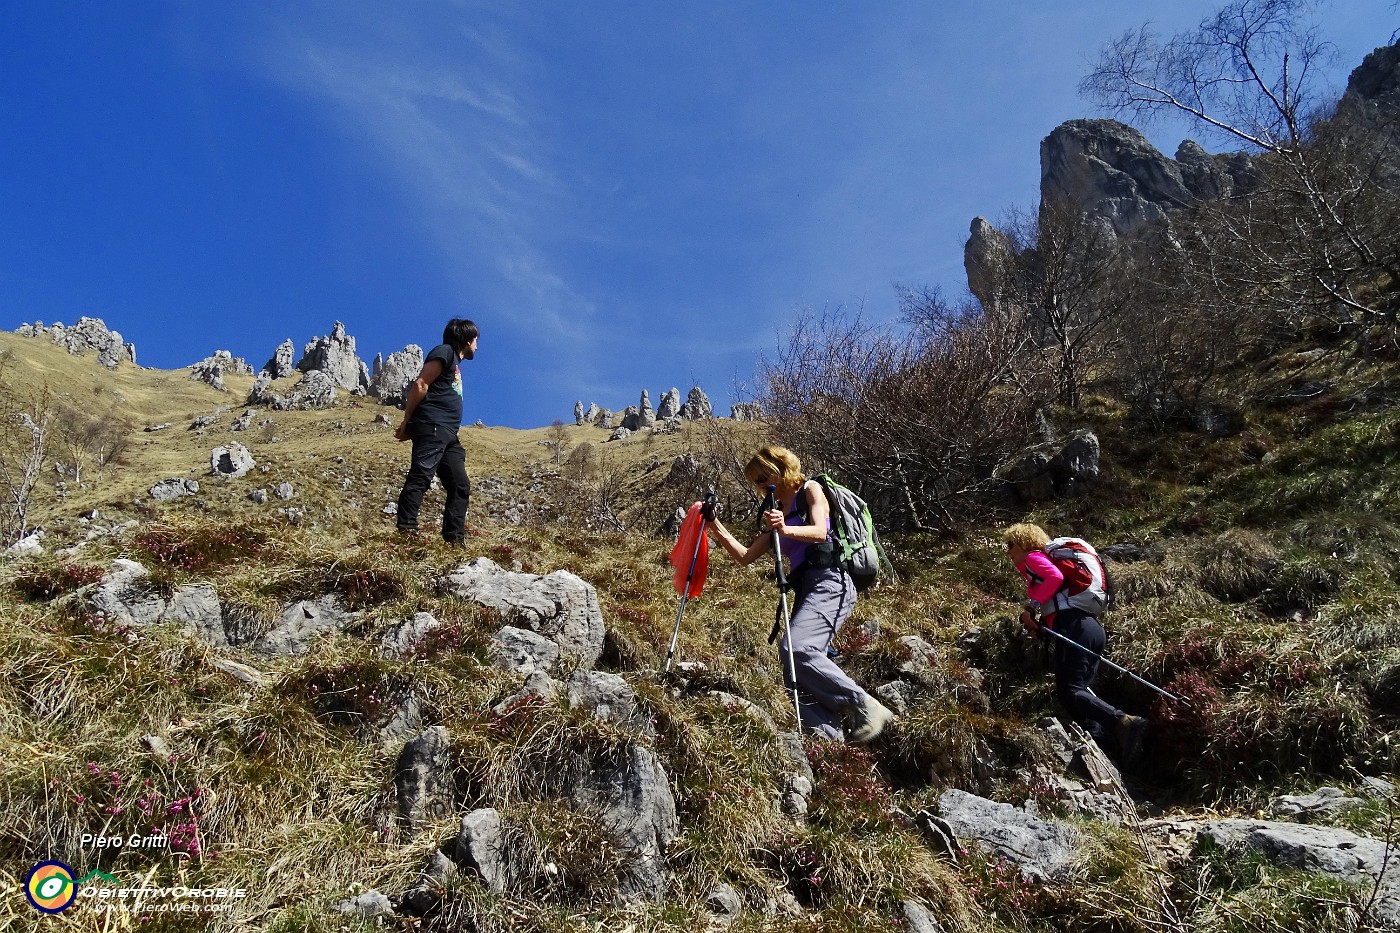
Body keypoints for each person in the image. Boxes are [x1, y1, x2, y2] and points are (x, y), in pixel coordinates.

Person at [705, 445, 894, 743]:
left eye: (764, 475)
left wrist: (786, 530)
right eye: (755, 480)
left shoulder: (811, 490)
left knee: (796, 650)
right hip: (807, 590)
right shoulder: (777, 513)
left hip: (832, 581)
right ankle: (828, 744)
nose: (760, 484)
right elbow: (744, 556)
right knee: (793, 673)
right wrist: (713, 523)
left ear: (781, 468)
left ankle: (865, 705)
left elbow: (820, 531)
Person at [1004, 522, 1148, 765]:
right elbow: (1059, 596)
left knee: (1070, 691)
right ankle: (1105, 748)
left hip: (1075, 628)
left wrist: (1032, 606)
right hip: (1088, 628)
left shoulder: (1033, 558)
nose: (1008, 551)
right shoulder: (1043, 569)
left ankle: (1124, 721)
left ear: (1023, 543)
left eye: (1010, 545)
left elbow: (1054, 576)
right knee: (1078, 692)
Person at [394, 318, 479, 543]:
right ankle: (407, 531)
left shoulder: (454, 362)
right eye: (476, 339)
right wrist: (407, 421)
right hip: (434, 425)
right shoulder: (445, 352)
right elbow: (421, 384)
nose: (477, 345)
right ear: (466, 338)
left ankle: (454, 541)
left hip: (448, 434)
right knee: (421, 475)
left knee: (460, 484)